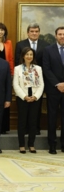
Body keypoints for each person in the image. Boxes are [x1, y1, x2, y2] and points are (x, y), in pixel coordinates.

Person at [15, 22, 49, 135]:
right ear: (28, 32)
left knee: (36, 106)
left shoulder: (45, 45)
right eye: (32, 31)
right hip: (23, 81)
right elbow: (17, 61)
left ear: (39, 32)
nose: (34, 33)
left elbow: (47, 63)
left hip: (39, 80)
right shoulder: (20, 44)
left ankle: (35, 128)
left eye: (36, 31)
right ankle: (24, 129)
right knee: (23, 108)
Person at [13, 47, 44, 154]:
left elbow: (41, 84)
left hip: (35, 99)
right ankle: (21, 145)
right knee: (22, 122)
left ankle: (31, 144)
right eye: (27, 54)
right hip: (23, 98)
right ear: (23, 56)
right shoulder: (17, 69)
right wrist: (24, 96)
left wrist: (35, 96)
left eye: (31, 54)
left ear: (33, 56)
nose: (29, 56)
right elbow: (15, 85)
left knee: (33, 122)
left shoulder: (38, 68)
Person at [42, 26, 64, 154]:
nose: (62, 36)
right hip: (53, 89)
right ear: (56, 36)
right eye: (60, 34)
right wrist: (57, 84)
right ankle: (52, 144)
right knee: (52, 117)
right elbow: (46, 69)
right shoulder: (48, 50)